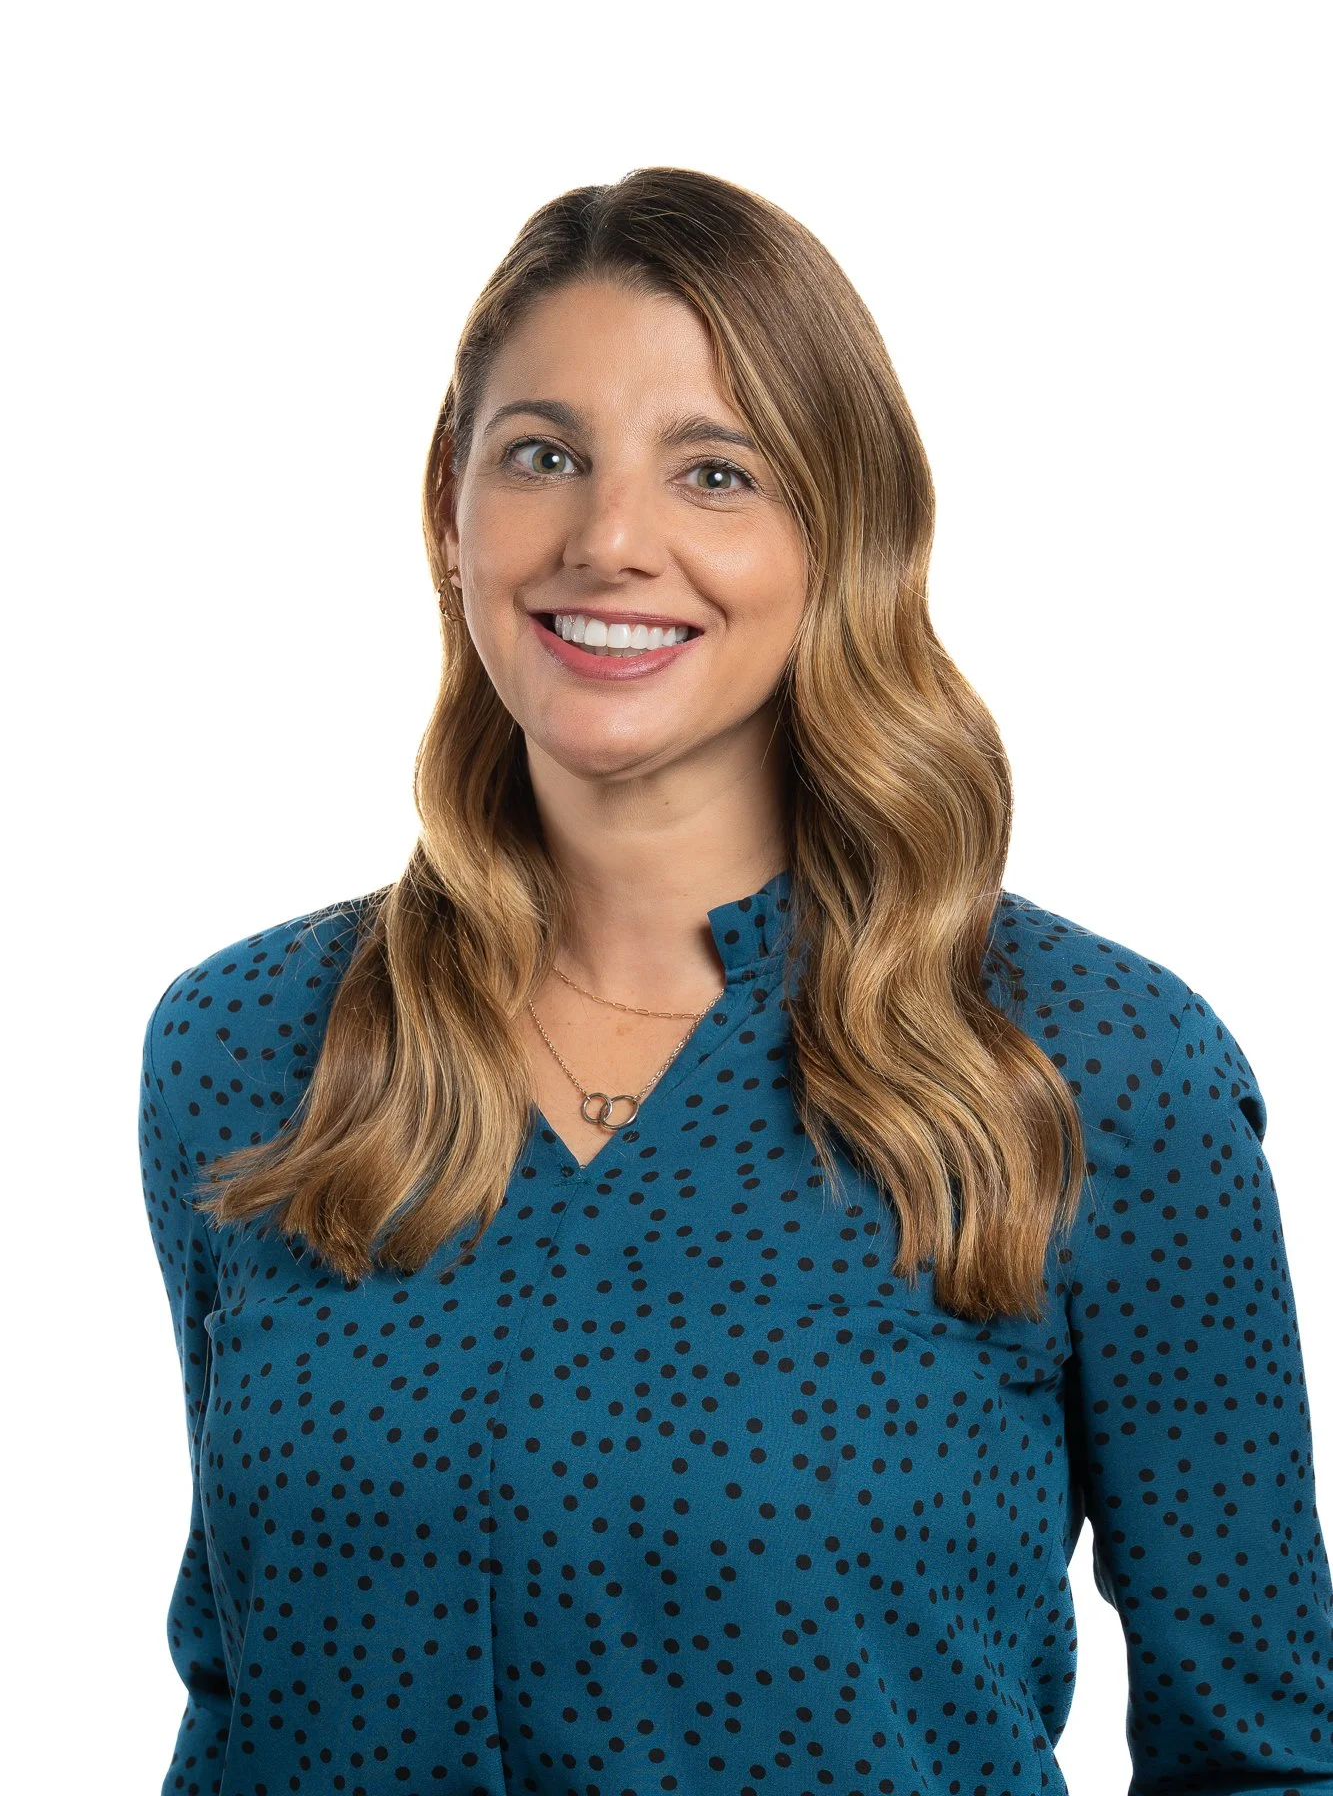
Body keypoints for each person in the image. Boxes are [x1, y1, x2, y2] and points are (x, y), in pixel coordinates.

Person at [139, 166, 1333, 1796]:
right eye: (542, 457)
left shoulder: (1094, 1068)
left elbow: (1265, 1755)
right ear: (451, 508)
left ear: (842, 531)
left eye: (717, 472)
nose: (610, 540)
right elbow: (241, 1686)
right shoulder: (248, 1047)